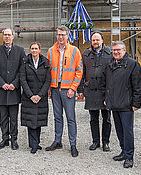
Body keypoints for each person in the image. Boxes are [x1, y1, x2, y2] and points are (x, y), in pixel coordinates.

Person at [45, 25, 83, 157]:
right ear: (56, 36)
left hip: (68, 90)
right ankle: (57, 141)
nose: (61, 37)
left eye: (63, 35)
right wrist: (49, 88)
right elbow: (48, 72)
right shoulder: (50, 51)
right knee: (57, 117)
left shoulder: (74, 51)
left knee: (71, 118)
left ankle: (73, 144)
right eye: (59, 35)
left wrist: (73, 88)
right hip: (55, 89)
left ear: (67, 36)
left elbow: (79, 71)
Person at [103, 41, 141, 168]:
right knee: (119, 130)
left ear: (124, 51)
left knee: (127, 131)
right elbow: (108, 85)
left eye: (118, 50)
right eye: (114, 50)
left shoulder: (132, 64)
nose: (116, 52)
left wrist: (136, 103)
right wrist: (107, 99)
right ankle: (124, 152)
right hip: (114, 104)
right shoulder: (110, 65)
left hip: (127, 105)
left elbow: (137, 86)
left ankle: (129, 157)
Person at [0, 28, 26, 150]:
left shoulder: (20, 51)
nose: (7, 37)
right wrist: (2, 83)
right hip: (1, 90)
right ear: (2, 37)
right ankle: (4, 139)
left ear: (13, 37)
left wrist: (14, 84)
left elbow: (22, 69)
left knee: (14, 118)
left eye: (9, 35)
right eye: (5, 35)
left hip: (14, 90)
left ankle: (14, 140)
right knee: (3, 118)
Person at [77, 31, 112, 152]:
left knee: (106, 118)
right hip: (91, 90)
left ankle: (105, 142)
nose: (95, 42)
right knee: (93, 118)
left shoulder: (110, 53)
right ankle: (95, 141)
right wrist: (80, 89)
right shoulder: (86, 54)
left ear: (102, 40)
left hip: (105, 91)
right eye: (93, 40)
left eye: (97, 40)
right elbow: (81, 72)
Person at [20, 42, 51, 154]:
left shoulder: (45, 62)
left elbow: (48, 80)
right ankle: (33, 144)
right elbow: (23, 80)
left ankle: (36, 143)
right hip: (29, 97)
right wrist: (31, 95)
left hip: (40, 97)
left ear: (40, 50)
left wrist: (40, 95)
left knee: (38, 120)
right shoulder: (25, 62)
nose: (34, 50)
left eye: (36, 48)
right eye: (32, 48)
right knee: (31, 121)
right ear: (30, 50)